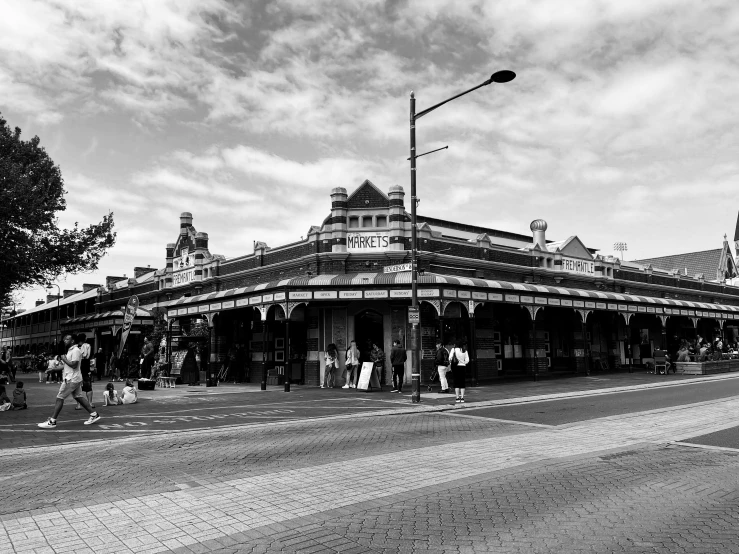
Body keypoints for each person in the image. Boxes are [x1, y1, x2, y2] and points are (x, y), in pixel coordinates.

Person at [37, 334, 101, 429]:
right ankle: (94, 414)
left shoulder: (75, 351)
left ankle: (52, 421)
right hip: (74, 378)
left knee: (60, 397)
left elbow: (74, 365)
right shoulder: (71, 350)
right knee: (78, 397)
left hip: (72, 379)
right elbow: (67, 365)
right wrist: (54, 369)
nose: (64, 340)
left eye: (67, 339)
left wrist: (63, 358)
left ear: (72, 341)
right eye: (64, 339)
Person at [76, 334, 95, 410]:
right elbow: (88, 356)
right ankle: (90, 403)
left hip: (77, 367)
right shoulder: (87, 345)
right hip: (86, 367)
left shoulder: (75, 347)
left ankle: (78, 405)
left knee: (78, 387)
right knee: (88, 386)